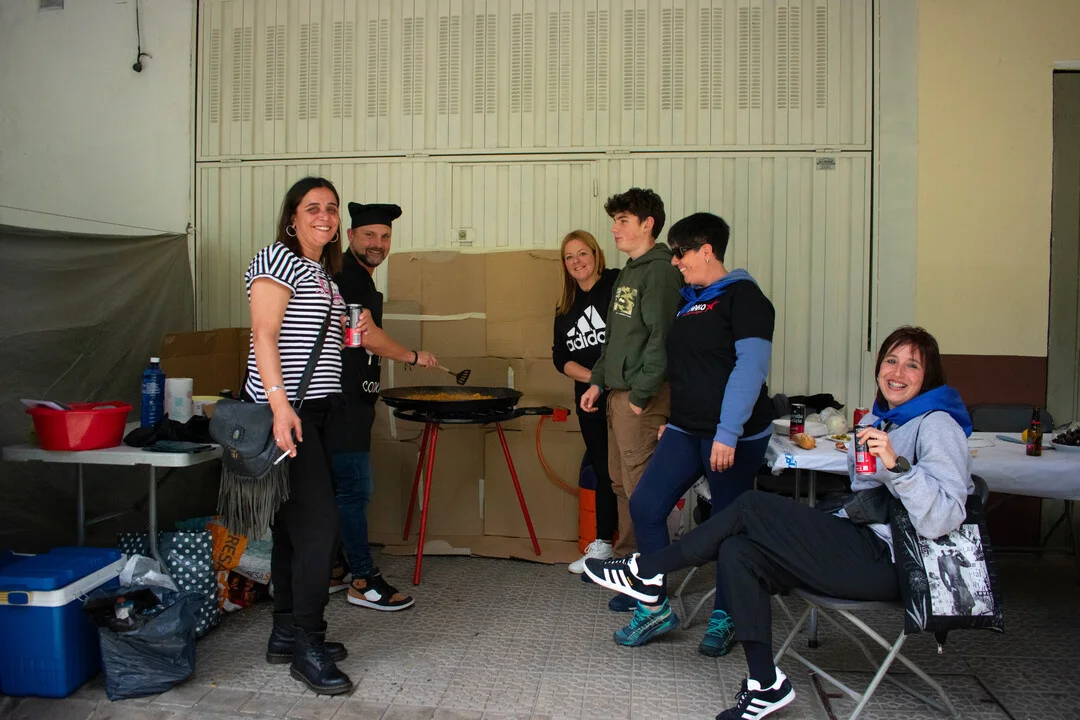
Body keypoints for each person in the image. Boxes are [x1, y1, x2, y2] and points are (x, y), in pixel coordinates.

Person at [584, 326, 975, 720]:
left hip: (897, 561)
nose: (898, 372)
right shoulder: (882, 418)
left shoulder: (938, 424)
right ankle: (765, 685)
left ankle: (647, 571)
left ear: (928, 375)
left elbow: (944, 518)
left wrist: (896, 466)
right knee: (738, 551)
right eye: (891, 360)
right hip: (859, 539)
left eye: (912, 365)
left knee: (750, 505)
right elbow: (866, 491)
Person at [612, 212, 775, 652]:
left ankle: (728, 613)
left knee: (725, 525)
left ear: (707, 251)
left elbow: (750, 369)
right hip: (686, 427)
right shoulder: (690, 301)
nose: (675, 261)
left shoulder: (746, 298)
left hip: (732, 434)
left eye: (680, 252)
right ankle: (653, 606)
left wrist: (728, 432)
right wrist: (675, 416)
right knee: (646, 505)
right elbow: (691, 369)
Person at [243, 176, 353, 695]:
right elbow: (263, 336)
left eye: (331, 208)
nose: (324, 216)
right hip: (289, 413)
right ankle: (309, 644)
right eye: (313, 208)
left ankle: (285, 633)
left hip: (317, 413)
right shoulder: (277, 259)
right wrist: (281, 408)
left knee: (292, 528)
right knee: (320, 527)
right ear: (292, 217)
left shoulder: (323, 273)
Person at [330, 201, 438, 612]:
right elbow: (368, 336)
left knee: (340, 488)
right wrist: (412, 356)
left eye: (385, 236)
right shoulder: (350, 276)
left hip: (353, 400)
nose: (378, 243)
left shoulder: (359, 277)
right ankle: (363, 579)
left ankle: (334, 569)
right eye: (369, 235)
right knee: (354, 488)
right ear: (351, 236)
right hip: (341, 403)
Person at [579, 188, 682, 612]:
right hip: (617, 396)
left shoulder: (659, 272)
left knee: (642, 491)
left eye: (623, 220)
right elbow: (616, 339)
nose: (614, 229)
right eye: (615, 220)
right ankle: (630, 569)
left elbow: (663, 339)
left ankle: (649, 579)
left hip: (641, 401)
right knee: (621, 484)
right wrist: (597, 381)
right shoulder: (630, 271)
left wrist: (640, 396)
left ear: (647, 224)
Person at [552, 230, 620, 573]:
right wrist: (593, 378)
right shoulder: (565, 306)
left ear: (596, 254)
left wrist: (605, 378)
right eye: (569, 257)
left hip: (624, 395)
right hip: (589, 402)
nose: (576, 261)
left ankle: (638, 547)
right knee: (604, 469)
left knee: (631, 471)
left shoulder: (616, 284)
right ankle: (604, 544)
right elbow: (560, 357)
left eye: (582, 253)